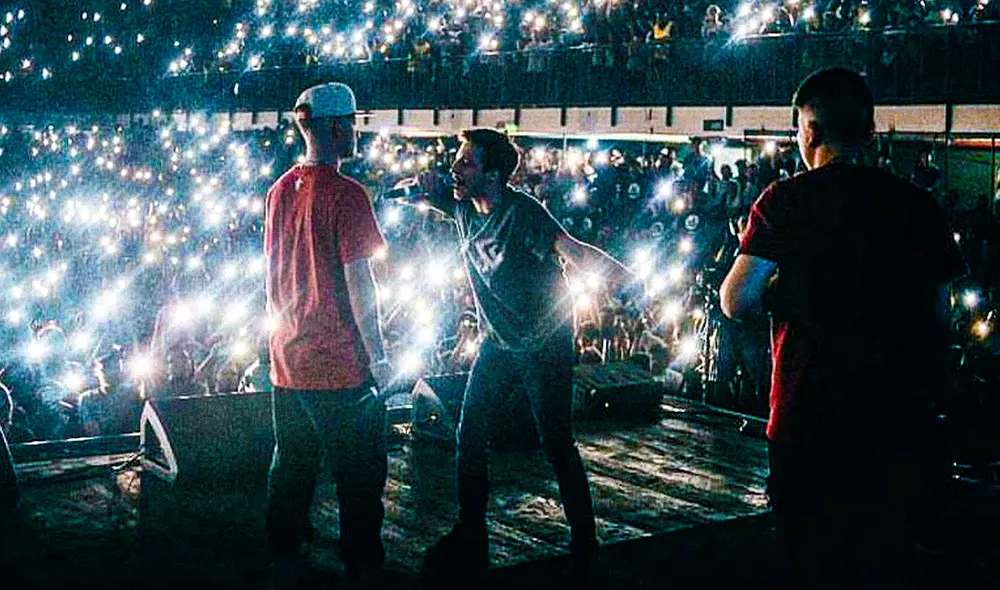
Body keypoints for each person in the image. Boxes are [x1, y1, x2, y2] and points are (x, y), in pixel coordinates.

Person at [719, 68, 966, 588]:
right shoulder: (918, 206)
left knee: (808, 562)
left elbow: (734, 300)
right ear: (870, 131)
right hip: (895, 419)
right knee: (885, 562)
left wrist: (787, 293)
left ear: (807, 132)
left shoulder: (782, 202)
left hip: (806, 416)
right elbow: (942, 317)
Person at [400, 129, 636, 576]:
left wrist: (624, 278)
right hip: (498, 341)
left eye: (466, 162)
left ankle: (585, 539)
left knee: (555, 441)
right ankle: (470, 531)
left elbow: (572, 250)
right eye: (456, 160)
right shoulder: (461, 207)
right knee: (469, 434)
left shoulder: (524, 213)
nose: (455, 168)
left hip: (544, 343)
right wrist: (413, 187)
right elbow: (413, 194)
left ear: (493, 174)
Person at [263, 82, 392, 589]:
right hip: (338, 366)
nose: (356, 131)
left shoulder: (277, 191)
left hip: (286, 359)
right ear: (336, 128)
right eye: (353, 123)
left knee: (291, 469)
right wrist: (378, 356)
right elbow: (362, 287)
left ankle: (284, 561)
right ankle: (362, 570)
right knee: (360, 480)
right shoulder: (349, 195)